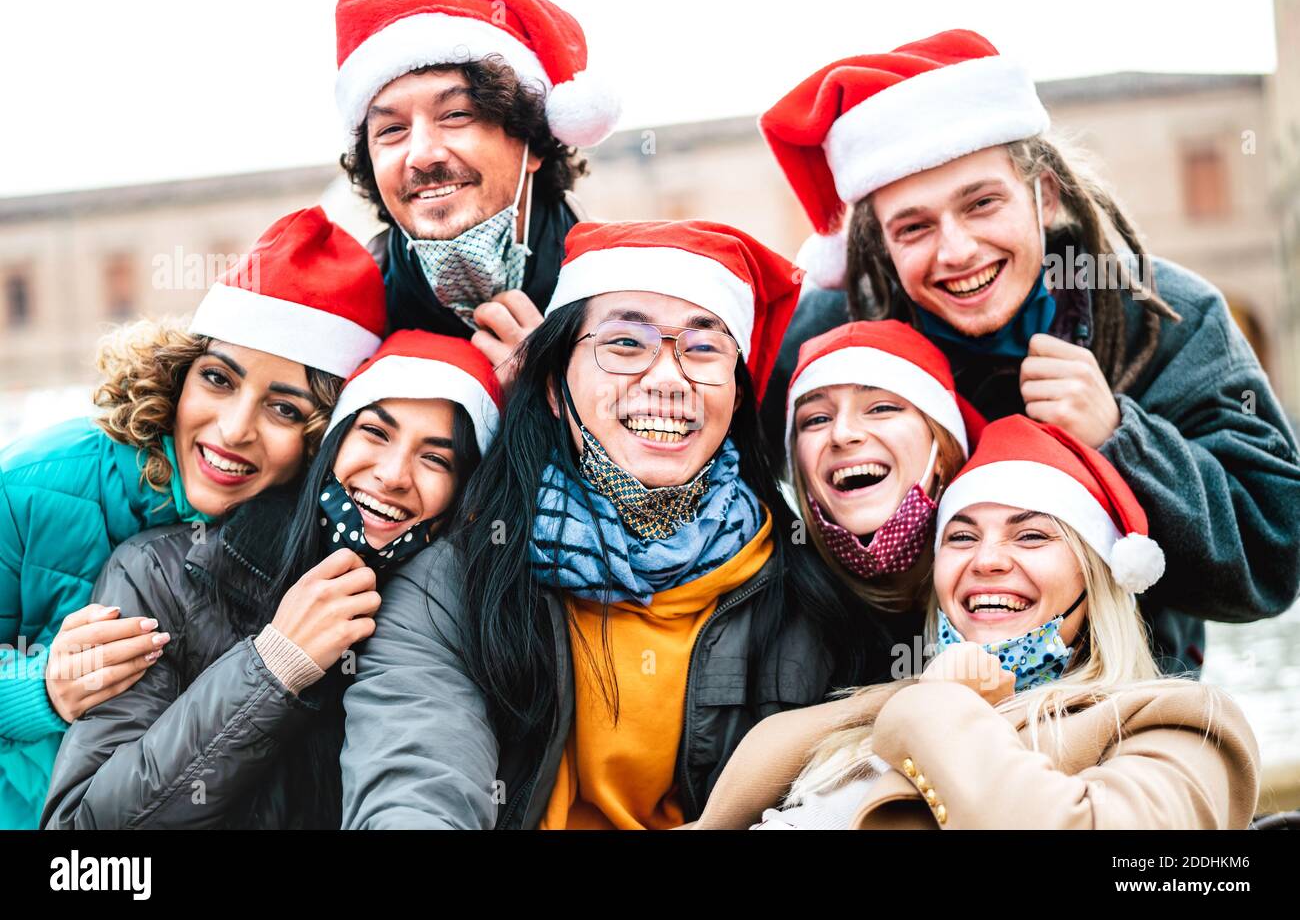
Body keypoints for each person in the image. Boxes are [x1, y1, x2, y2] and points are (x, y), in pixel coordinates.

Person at [757, 28, 1300, 674]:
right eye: (915, 226)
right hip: (895, 707)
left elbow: (1274, 557)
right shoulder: (824, 335)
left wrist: (1121, 437)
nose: (956, 251)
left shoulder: (1164, 316)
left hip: (1120, 709)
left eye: (982, 203)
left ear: (1044, 193)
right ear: (878, 236)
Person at [341, 220, 874, 829]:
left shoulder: (809, 592)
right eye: (624, 344)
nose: (669, 379)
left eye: (703, 348)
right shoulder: (451, 587)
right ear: (551, 385)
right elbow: (413, 784)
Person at [0, 207, 385, 829]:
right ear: (179, 376)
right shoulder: (33, 485)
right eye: (217, 379)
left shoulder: (314, 543)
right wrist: (37, 688)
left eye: (285, 410)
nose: (233, 430)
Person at [692, 415, 1260, 830]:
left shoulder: (1180, 726)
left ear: (1097, 579)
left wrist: (941, 707)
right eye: (961, 537)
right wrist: (920, 693)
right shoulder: (870, 709)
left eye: (1032, 535)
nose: (985, 560)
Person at [41, 331, 501, 829]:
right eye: (375, 432)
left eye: (435, 459)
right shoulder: (158, 574)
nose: (392, 474)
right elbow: (81, 832)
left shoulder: (455, 617)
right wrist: (273, 667)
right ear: (331, 443)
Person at [334, 0, 620, 382]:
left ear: (532, 142)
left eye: (455, 115)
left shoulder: (624, 299)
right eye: (392, 129)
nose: (421, 154)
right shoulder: (344, 322)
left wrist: (557, 403)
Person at [786, 320, 983, 672]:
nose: (842, 434)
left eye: (880, 408)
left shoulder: (1001, 579)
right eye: (816, 419)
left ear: (942, 448)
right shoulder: (778, 599)